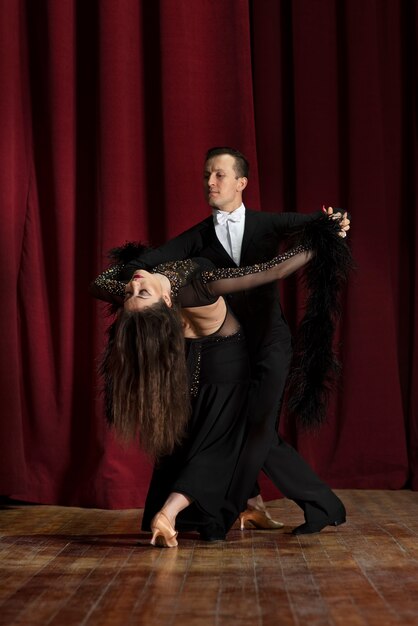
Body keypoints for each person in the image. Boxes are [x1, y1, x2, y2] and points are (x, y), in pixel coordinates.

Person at [115, 147, 352, 536]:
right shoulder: (198, 236)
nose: (210, 182)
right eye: (207, 175)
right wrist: (137, 281)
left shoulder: (266, 224)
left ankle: (223, 514)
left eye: (219, 175)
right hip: (229, 349)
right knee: (252, 431)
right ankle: (304, 504)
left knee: (258, 429)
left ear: (241, 182)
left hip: (270, 341)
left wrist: (336, 224)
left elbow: (318, 223)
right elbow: (146, 262)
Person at [92, 246, 314, 547]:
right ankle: (169, 513)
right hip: (226, 363)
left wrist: (135, 273)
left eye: (132, 293)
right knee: (223, 442)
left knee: (210, 437)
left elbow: (100, 283)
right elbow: (270, 271)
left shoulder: (145, 287)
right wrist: (321, 241)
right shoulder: (199, 285)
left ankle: (252, 506)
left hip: (203, 358)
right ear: (169, 302)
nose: (133, 286)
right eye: (139, 293)